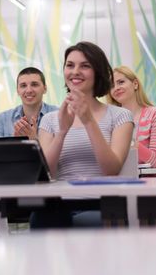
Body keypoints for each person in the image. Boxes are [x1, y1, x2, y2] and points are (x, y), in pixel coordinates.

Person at [31, 42, 133, 228]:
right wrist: (61, 132)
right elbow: (46, 174)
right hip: (58, 204)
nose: (75, 71)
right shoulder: (50, 119)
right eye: (70, 65)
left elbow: (111, 170)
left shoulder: (120, 116)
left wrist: (88, 121)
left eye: (85, 66)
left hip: (102, 204)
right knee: (42, 218)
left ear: (98, 72)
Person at [108, 66, 156, 167]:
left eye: (121, 82)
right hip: (118, 179)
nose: (116, 88)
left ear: (135, 84)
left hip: (150, 180)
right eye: (111, 86)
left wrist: (129, 142)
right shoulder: (108, 119)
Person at [0, 67, 57, 140]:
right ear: (17, 91)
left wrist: (34, 140)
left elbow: (64, 150)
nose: (29, 90)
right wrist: (15, 142)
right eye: (23, 85)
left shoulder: (58, 115)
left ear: (45, 89)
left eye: (34, 84)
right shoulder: (3, 119)